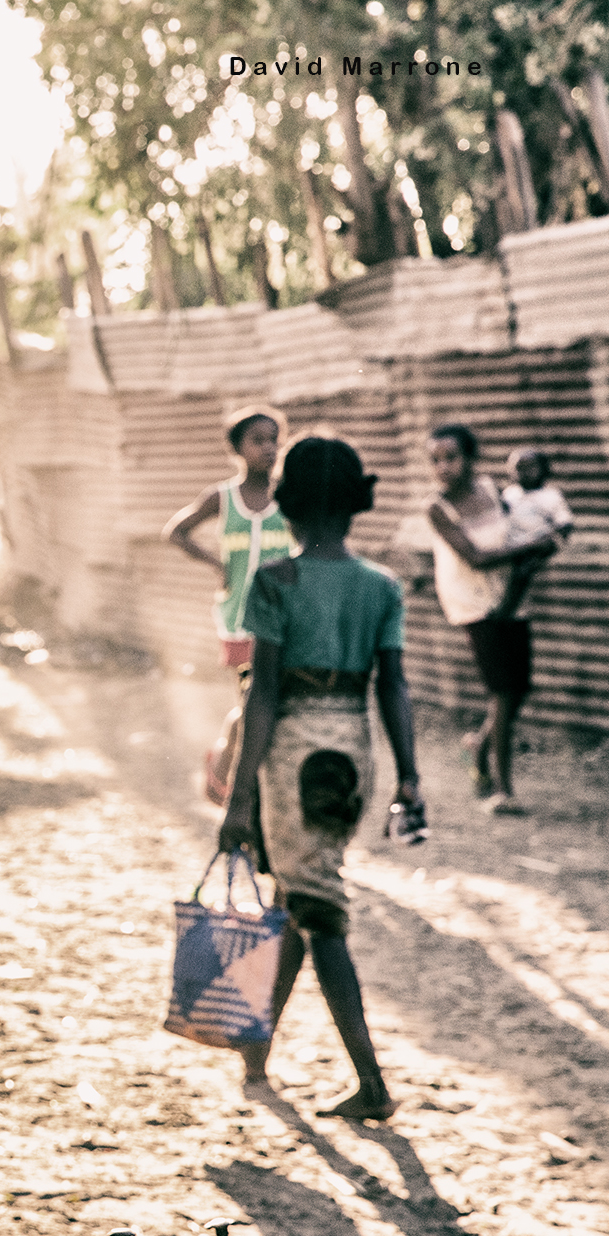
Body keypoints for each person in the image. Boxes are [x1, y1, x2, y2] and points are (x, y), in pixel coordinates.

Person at [219, 436, 420, 1121]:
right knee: (302, 899)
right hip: (352, 751)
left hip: (294, 754)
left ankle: (372, 1083)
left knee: (317, 910)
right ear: (355, 506)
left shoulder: (274, 580)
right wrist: (409, 778)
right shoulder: (381, 586)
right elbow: (394, 687)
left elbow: (264, 695)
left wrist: (238, 799)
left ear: (290, 505)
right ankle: (256, 1047)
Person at [426, 425, 559, 815]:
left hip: (510, 598)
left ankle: (478, 745)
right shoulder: (438, 508)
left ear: (470, 457)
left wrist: (540, 543)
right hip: (473, 605)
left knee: (519, 689)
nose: (443, 466)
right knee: (503, 690)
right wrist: (535, 545)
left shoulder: (491, 490)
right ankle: (503, 789)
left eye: (451, 457)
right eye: (435, 460)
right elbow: (475, 557)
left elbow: (518, 531)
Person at [163, 406, 292, 805]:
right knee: (253, 698)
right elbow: (176, 532)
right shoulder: (223, 497)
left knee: (273, 699)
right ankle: (224, 770)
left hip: (283, 617)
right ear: (236, 448)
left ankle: (245, 775)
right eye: (258, 440)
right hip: (238, 617)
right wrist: (216, 564)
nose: (268, 448)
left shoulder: (287, 495)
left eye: (274, 440)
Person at [493, 447, 573, 621]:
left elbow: (564, 523)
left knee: (522, 572)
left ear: (544, 470)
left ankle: (505, 611)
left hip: (537, 544)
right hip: (514, 545)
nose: (524, 473)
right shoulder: (510, 494)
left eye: (530, 467)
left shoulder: (550, 496)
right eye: (518, 468)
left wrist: (555, 542)